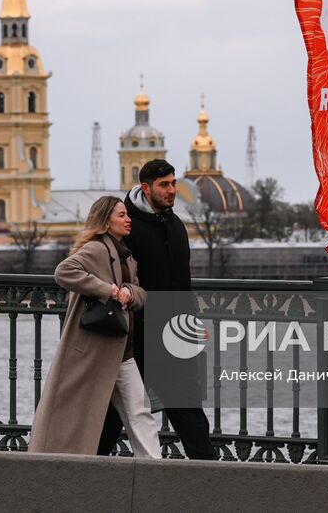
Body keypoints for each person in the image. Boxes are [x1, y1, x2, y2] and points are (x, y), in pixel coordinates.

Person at [98, 159, 217, 460]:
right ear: (146, 188)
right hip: (136, 337)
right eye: (165, 185)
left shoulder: (175, 225)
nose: (173, 190)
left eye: (174, 183)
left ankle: (211, 476)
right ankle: (85, 467)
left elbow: (183, 284)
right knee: (115, 412)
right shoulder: (126, 227)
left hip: (175, 336)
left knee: (188, 409)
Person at [28, 195, 160, 457]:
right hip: (95, 350)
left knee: (139, 412)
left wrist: (129, 293)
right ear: (105, 221)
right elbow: (64, 272)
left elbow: (140, 293)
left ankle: (155, 468)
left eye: (127, 214)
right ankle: (56, 460)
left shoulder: (127, 256)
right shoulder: (97, 248)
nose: (128, 219)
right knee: (78, 412)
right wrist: (109, 291)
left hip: (120, 349)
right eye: (121, 215)